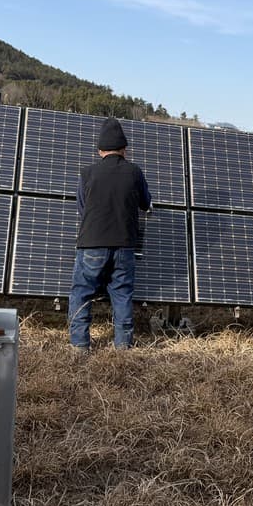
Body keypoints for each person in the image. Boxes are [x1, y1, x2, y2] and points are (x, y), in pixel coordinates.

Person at [67, 116, 152, 350]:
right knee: (122, 294)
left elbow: (82, 207)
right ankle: (123, 346)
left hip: (91, 244)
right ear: (124, 149)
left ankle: (79, 346)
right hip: (124, 245)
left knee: (82, 294)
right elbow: (146, 203)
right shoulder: (135, 172)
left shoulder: (87, 173)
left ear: (100, 150)